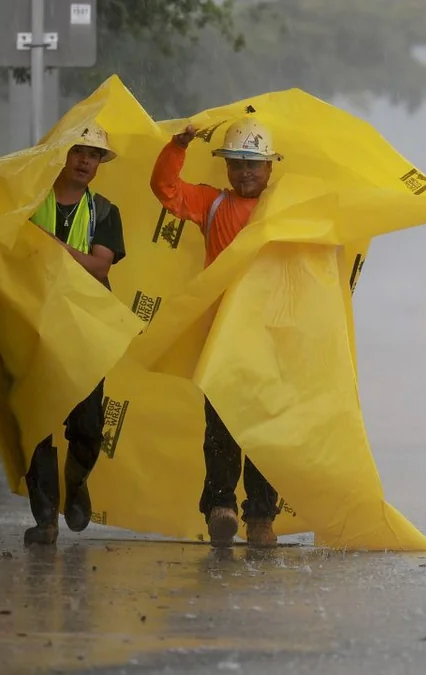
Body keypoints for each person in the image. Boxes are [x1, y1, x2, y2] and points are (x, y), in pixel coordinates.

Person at [149, 116, 284, 548]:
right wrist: (177, 146)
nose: (245, 172)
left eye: (253, 164)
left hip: (269, 336)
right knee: (222, 424)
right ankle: (220, 508)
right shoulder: (212, 205)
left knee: (264, 427)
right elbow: (166, 191)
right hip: (222, 336)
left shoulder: (284, 209)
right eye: (237, 163)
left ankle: (261, 518)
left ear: (269, 169)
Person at [24, 123, 127, 546]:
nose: (86, 161)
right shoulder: (29, 202)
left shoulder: (104, 211)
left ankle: (77, 479)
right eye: (79, 152)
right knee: (37, 423)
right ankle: (45, 518)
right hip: (36, 324)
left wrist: (50, 245)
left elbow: (100, 266)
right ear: (62, 156)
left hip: (85, 328)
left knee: (88, 422)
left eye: (95, 155)